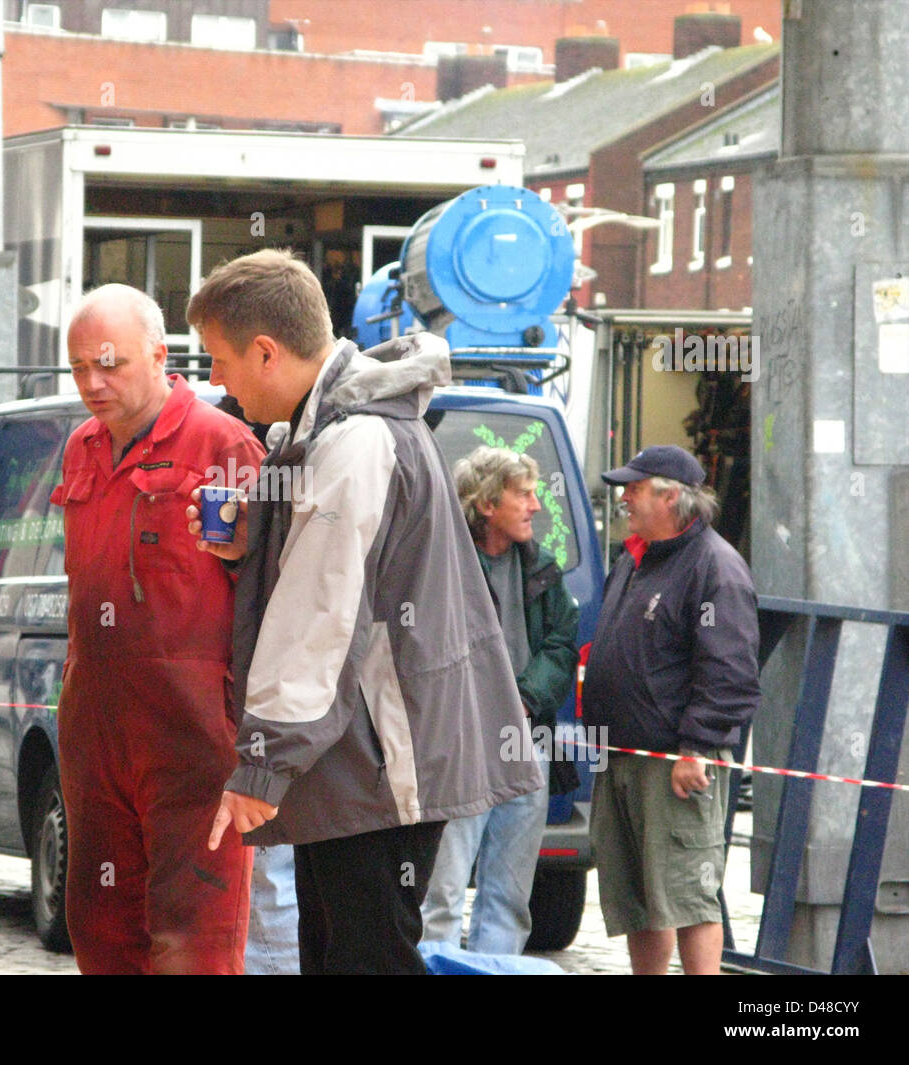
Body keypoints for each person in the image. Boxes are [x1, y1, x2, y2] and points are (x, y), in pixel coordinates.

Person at [187, 249, 541, 975]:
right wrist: (254, 540)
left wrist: (262, 762)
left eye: (219, 359)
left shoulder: (354, 440)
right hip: (365, 755)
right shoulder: (337, 431)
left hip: (380, 755)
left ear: (265, 350)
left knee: (364, 958)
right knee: (341, 956)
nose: (215, 380)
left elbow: (322, 618)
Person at [50, 284, 265, 974]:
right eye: (79, 366)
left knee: (192, 944)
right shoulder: (81, 447)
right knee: (100, 931)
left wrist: (257, 744)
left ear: (159, 355)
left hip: (194, 744)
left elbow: (267, 600)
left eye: (108, 363)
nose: (92, 382)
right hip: (96, 736)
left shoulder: (222, 443)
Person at [582, 444, 759, 975]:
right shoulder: (635, 557)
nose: (624, 499)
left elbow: (729, 671)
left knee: (687, 895)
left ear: (671, 497)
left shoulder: (714, 566)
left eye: (634, 489)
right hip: (622, 756)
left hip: (673, 764)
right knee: (639, 898)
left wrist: (697, 747)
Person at [421, 446, 579, 954]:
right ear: (488, 503)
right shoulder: (444, 563)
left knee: (510, 893)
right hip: (460, 745)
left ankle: (496, 968)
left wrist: (525, 702)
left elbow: (561, 646)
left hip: (525, 743)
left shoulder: (543, 567)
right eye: (524, 494)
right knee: (441, 890)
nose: (536, 506)